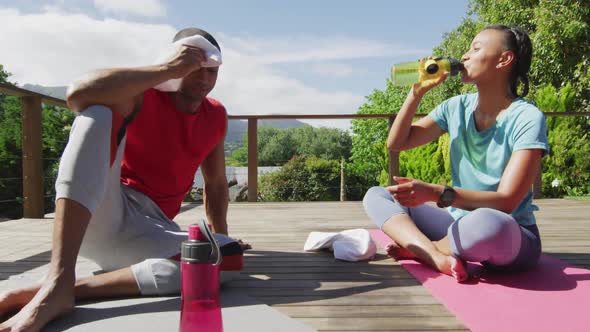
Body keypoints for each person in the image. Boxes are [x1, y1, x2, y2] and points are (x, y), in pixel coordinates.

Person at [0, 27, 250, 331]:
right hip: (105, 210)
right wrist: (167, 69)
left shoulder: (215, 115)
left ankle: (66, 290)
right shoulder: (141, 95)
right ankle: (57, 277)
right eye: (193, 68)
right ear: (175, 63)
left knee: (227, 258)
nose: (203, 79)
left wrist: (219, 237)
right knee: (97, 112)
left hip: (151, 230)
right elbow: (78, 93)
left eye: (211, 71)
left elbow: (216, 184)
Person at [363, 25, 549, 282]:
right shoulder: (456, 107)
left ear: (504, 59)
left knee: (487, 222)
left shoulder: (527, 117)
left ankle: (422, 248)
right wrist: (416, 92)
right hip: (455, 225)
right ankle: (435, 254)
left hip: (509, 233)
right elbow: (397, 143)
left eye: (476, 48)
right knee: (379, 195)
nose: (464, 56)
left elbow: (506, 202)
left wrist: (437, 193)